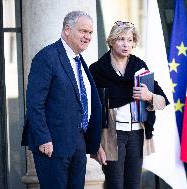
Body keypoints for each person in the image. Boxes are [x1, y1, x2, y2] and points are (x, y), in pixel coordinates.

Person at [23, 11, 102, 189]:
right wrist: (43, 138)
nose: (87, 36)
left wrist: (93, 143)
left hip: (78, 145)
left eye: (90, 33)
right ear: (67, 29)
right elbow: (35, 103)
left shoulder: (79, 60)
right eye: (83, 31)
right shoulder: (47, 57)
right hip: (52, 145)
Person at [89, 21, 169, 189]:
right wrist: (95, 144)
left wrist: (149, 96)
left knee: (133, 184)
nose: (126, 44)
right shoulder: (98, 70)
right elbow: (91, 110)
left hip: (136, 134)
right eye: (120, 39)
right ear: (111, 41)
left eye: (130, 39)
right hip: (111, 135)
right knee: (115, 184)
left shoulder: (139, 67)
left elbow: (162, 101)